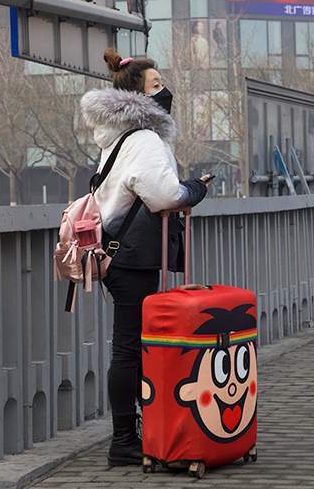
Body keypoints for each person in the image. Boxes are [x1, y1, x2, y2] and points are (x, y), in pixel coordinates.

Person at [81, 49, 210, 467]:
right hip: (132, 256)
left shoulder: (120, 137)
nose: (165, 91)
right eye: (156, 86)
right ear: (138, 97)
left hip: (119, 253)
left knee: (129, 348)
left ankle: (134, 432)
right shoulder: (145, 139)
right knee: (128, 350)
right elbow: (165, 196)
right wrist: (195, 189)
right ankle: (124, 440)